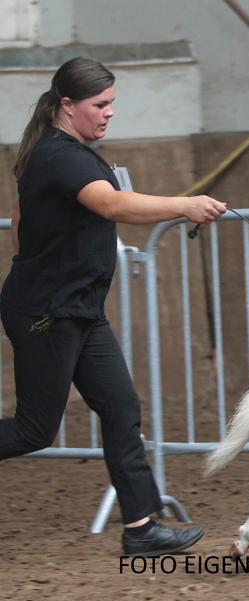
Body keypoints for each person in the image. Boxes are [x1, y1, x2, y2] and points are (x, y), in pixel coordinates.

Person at [1, 56, 226, 556]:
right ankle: (143, 525)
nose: (109, 113)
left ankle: (141, 528)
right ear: (67, 105)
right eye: (100, 104)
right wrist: (185, 204)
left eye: (111, 104)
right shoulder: (61, 156)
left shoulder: (61, 152)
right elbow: (112, 205)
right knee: (35, 429)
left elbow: (20, 219)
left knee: (121, 407)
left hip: (76, 308)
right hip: (48, 314)